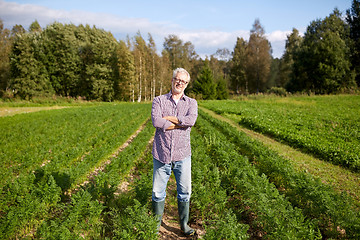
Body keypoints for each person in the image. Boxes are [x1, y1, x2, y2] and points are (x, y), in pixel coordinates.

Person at [151, 68, 198, 236]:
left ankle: (184, 225)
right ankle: (156, 226)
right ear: (172, 80)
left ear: (186, 84)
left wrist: (170, 118)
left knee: (185, 191)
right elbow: (156, 121)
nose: (180, 83)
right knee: (157, 192)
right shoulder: (158, 100)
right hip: (161, 153)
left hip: (182, 154)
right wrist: (180, 124)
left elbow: (190, 120)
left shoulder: (191, 103)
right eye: (177, 79)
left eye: (183, 81)